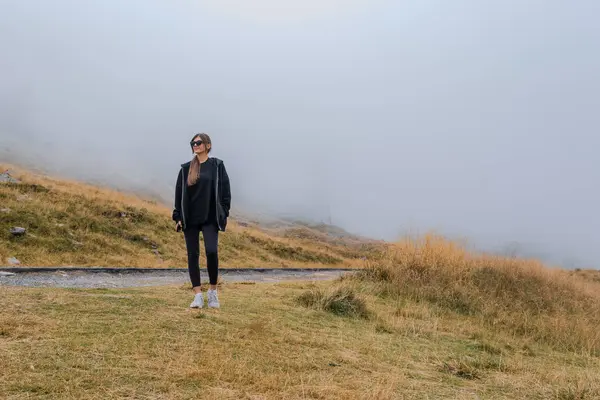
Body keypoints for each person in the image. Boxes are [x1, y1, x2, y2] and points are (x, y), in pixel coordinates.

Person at [172, 133, 231, 309]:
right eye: (193, 143)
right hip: (190, 218)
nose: (195, 145)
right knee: (192, 255)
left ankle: (212, 291)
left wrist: (224, 212)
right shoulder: (186, 169)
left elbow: (226, 192)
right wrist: (178, 216)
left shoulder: (217, 166)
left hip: (210, 217)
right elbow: (179, 194)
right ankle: (197, 295)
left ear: (207, 145)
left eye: (198, 142)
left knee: (212, 251)